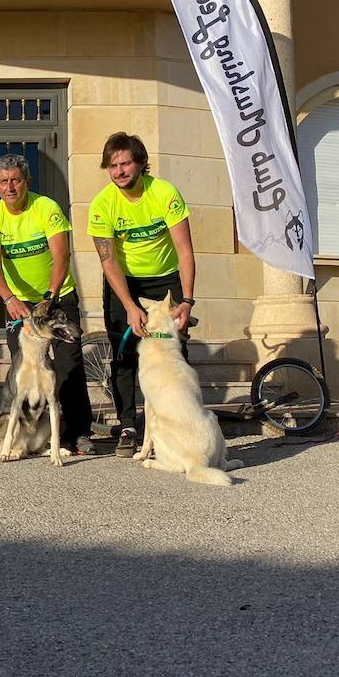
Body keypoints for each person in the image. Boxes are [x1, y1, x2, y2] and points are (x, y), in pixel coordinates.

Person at [0, 153, 94, 455]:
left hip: (55, 297)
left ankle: (78, 432)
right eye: (4, 182)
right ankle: (27, 435)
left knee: (68, 365)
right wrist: (9, 299)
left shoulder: (46, 208)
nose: (10, 187)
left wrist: (51, 295)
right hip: (20, 304)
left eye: (16, 180)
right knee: (23, 367)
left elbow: (61, 255)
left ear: (27, 181)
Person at [87, 131, 196, 453]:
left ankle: (179, 421)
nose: (119, 171)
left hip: (165, 279)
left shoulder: (164, 193)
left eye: (125, 163)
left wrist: (187, 300)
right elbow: (108, 263)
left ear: (142, 163)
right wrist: (131, 306)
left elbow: (185, 251)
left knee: (175, 353)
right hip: (125, 280)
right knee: (124, 354)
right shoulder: (102, 203)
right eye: (112, 165)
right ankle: (128, 425)